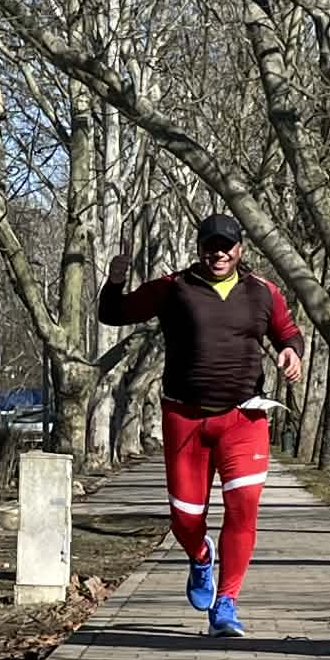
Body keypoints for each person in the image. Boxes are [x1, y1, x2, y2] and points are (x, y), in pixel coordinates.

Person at [98, 213, 304, 636]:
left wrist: (291, 352)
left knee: (243, 508)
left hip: (244, 418)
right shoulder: (173, 288)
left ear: (240, 249)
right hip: (185, 419)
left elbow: (287, 331)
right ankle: (199, 556)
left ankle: (226, 603)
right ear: (200, 249)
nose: (219, 254)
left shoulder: (262, 291)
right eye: (211, 246)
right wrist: (115, 281)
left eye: (227, 246)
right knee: (185, 519)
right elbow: (114, 313)